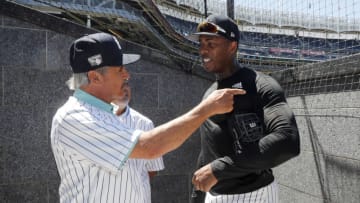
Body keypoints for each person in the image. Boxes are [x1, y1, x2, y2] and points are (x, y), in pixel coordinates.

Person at [50, 32, 246, 203]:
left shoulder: (102, 112)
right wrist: (206, 109)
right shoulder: (75, 116)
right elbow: (150, 147)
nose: (126, 75)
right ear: (95, 77)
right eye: (120, 69)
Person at [188, 14, 300, 203]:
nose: (203, 50)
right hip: (215, 196)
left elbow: (287, 139)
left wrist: (219, 168)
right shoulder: (209, 94)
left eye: (211, 44)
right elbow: (208, 147)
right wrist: (196, 195)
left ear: (232, 46)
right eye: (201, 44)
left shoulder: (260, 85)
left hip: (254, 194)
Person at [112, 81, 164, 202]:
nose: (125, 89)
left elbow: (152, 169)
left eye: (127, 84)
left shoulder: (145, 123)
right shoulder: (94, 121)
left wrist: (133, 185)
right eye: (120, 84)